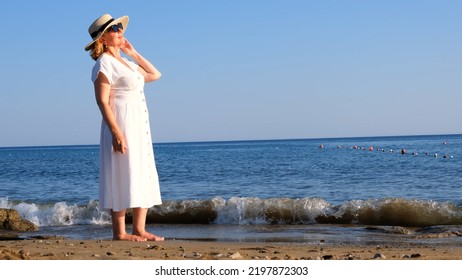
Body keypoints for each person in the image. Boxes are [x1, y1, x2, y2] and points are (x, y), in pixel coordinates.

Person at [85, 14, 164, 241]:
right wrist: (116, 132)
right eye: (114, 29)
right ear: (103, 39)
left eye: (119, 26)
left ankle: (139, 229)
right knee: (121, 171)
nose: (120, 30)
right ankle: (119, 232)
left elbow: (155, 75)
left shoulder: (128, 64)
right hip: (121, 123)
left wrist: (133, 53)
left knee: (141, 170)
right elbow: (102, 100)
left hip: (139, 125)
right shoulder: (104, 64)